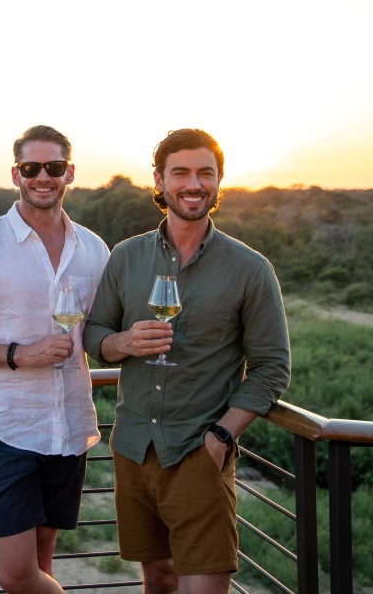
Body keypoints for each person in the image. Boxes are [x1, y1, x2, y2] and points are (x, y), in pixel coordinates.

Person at [82, 128, 291, 594]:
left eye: (205, 173)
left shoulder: (249, 268)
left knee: (203, 586)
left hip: (198, 450)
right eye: (181, 173)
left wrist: (220, 437)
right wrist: (125, 344)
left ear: (219, 181)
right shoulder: (126, 256)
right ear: (159, 181)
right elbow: (95, 334)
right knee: (157, 578)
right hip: (133, 447)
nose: (193, 184)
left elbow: (272, 366)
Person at [0, 124, 111, 594]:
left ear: (69, 172)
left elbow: (97, 332)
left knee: (43, 559)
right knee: (16, 575)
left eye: (53, 167)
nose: (43, 177)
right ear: (16, 174)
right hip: (8, 427)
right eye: (32, 168)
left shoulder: (93, 249)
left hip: (69, 425)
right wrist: (22, 355)